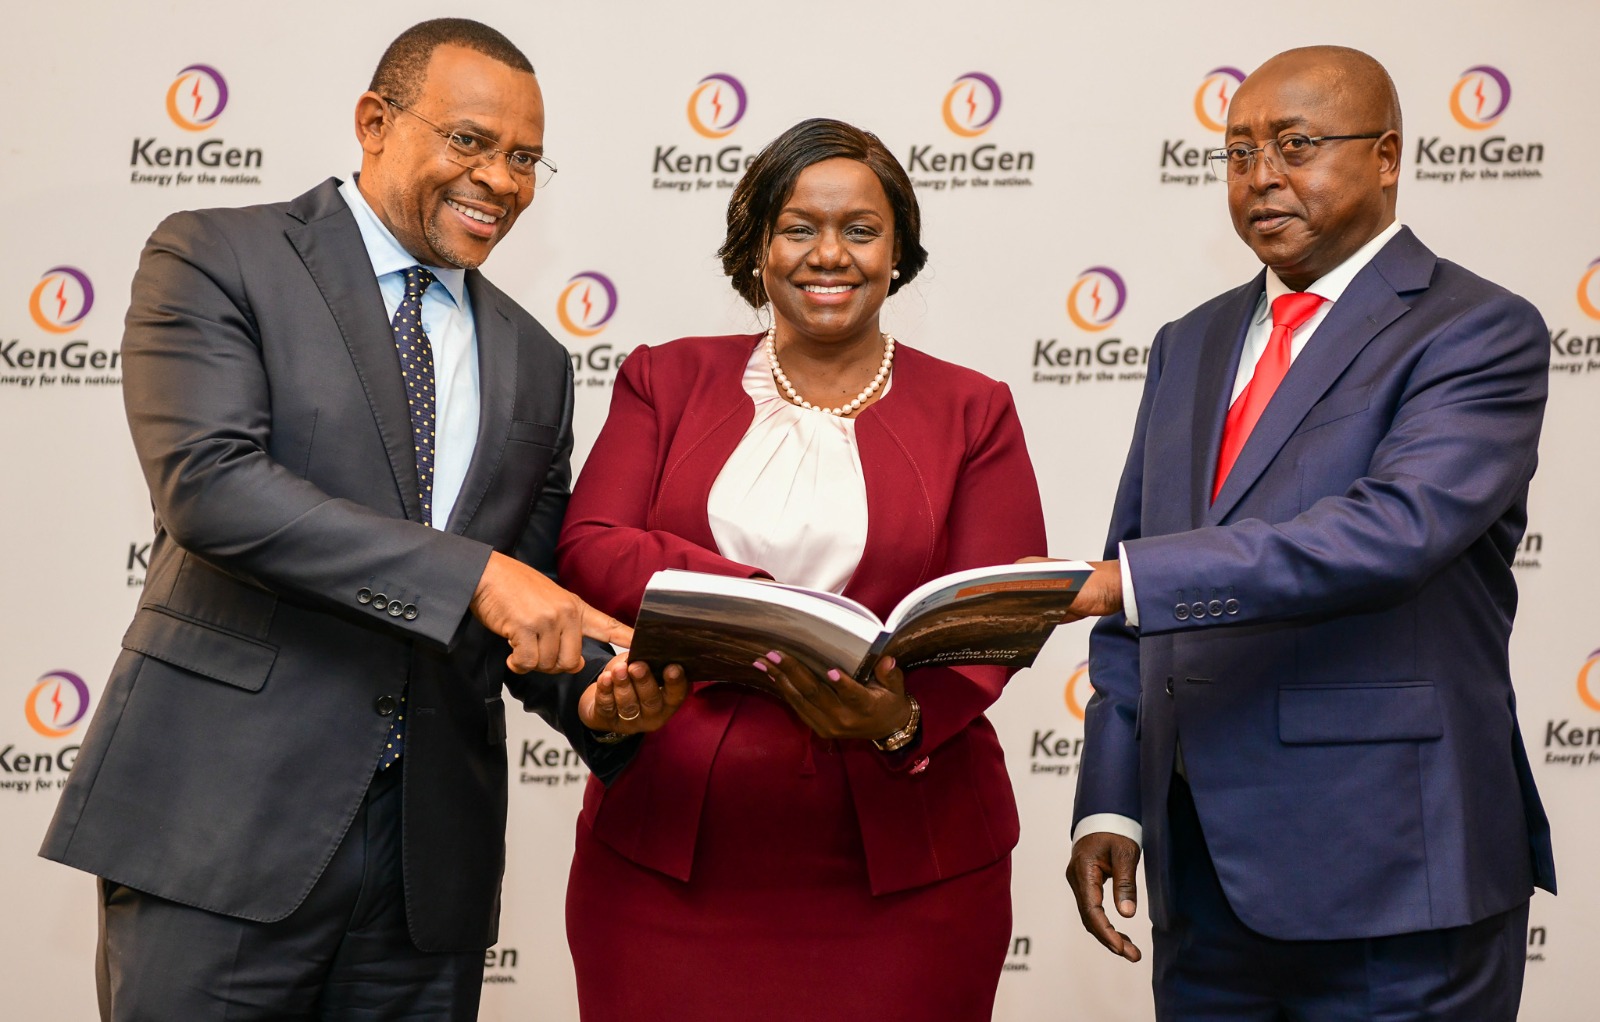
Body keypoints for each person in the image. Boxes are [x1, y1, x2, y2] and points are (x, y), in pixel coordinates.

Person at [39, 18, 679, 1021]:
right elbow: (212, 488)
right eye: (469, 142)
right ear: (374, 122)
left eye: (523, 158)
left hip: (426, 875)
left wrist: (594, 700)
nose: (500, 180)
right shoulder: (216, 255)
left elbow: (526, 592)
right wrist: (474, 578)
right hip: (220, 834)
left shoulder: (537, 362)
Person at [1059, 46, 1557, 1019]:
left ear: (1385, 157)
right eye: (1238, 153)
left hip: (1392, 869)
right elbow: (1135, 582)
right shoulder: (1185, 342)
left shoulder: (1476, 329)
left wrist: (1129, 579)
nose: (1261, 178)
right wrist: (1112, 796)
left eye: (1294, 145)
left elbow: (1393, 530)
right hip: (1201, 876)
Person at [555, 117, 1046, 1020]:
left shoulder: (975, 409)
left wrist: (900, 717)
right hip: (671, 860)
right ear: (757, 249)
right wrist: (754, 603)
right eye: (798, 227)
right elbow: (589, 540)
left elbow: (998, 616)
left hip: (910, 864)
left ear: (899, 249)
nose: (831, 254)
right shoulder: (664, 381)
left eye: (861, 230)